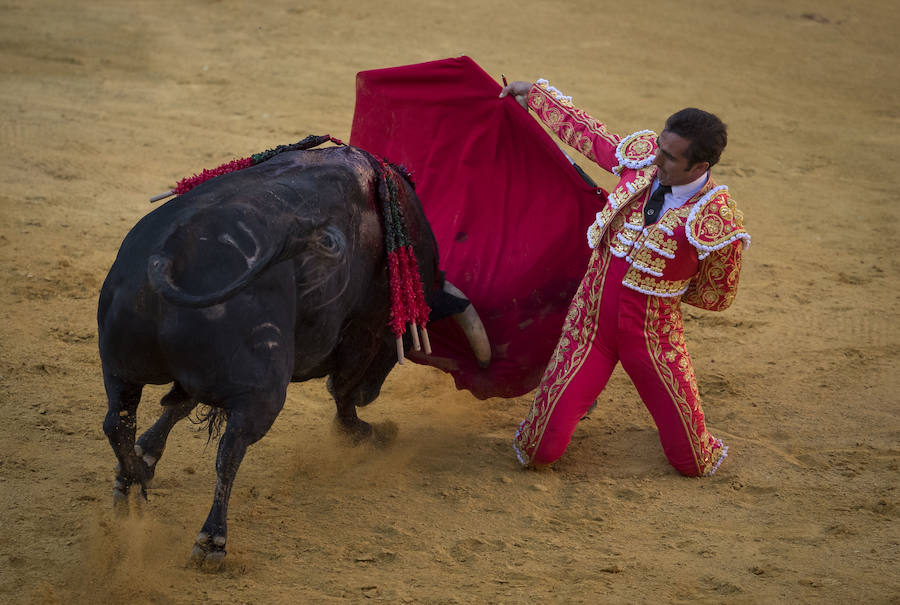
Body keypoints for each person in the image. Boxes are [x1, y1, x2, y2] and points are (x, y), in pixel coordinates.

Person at [499, 78, 750, 476]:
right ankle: (575, 398)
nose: (656, 161)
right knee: (538, 451)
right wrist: (536, 98)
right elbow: (590, 137)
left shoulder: (716, 221)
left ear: (699, 166)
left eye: (669, 158)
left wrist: (664, 287)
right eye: (660, 148)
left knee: (693, 463)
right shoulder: (642, 161)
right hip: (589, 327)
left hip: (653, 340)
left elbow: (715, 295)